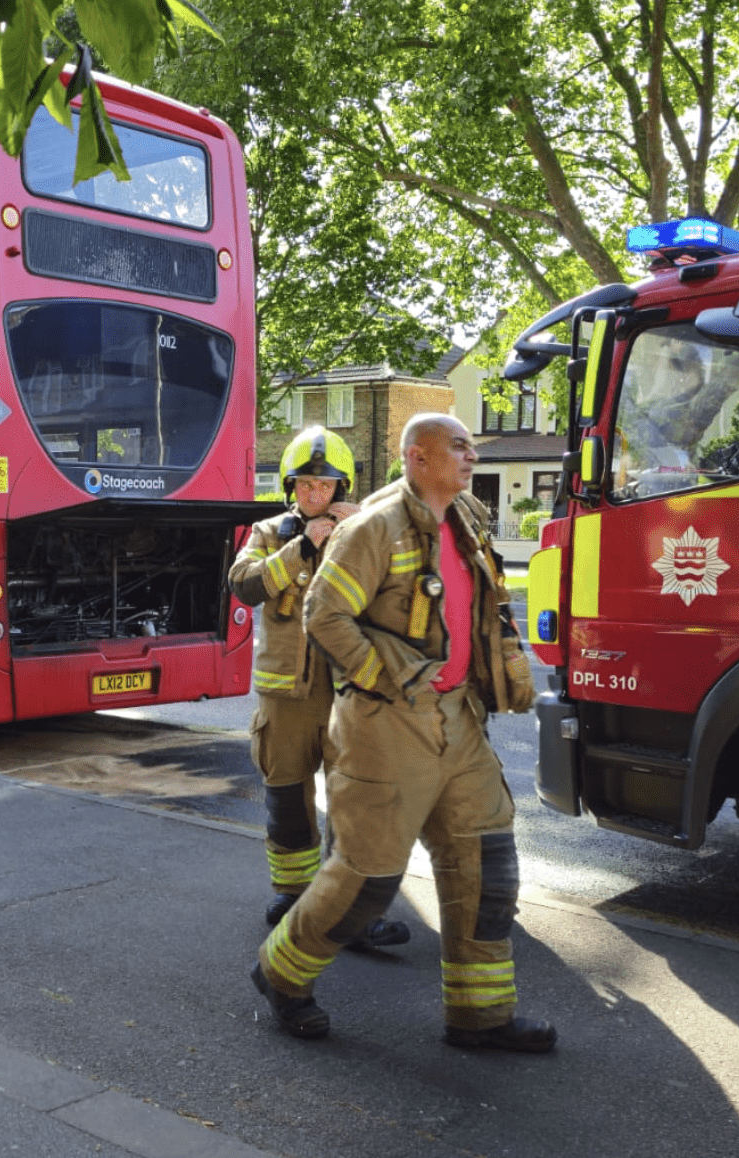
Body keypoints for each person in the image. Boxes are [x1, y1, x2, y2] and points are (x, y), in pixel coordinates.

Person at [249, 412, 553, 1053]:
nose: (473, 455)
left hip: (459, 723)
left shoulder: (465, 520)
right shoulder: (373, 527)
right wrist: (383, 678)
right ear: (418, 456)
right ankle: (280, 974)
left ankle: (480, 1015)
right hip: (388, 725)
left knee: (487, 865)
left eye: (471, 446)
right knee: (367, 882)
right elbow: (322, 614)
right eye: (458, 446)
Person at [229, 427, 409, 947]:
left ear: (341, 487)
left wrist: (364, 529)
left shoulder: (363, 530)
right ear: (291, 486)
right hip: (285, 696)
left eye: (325, 485)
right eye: (305, 485)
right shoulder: (268, 531)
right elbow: (244, 586)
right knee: (287, 797)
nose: (314, 494)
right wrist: (302, 547)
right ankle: (294, 896)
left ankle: (354, 912)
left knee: (356, 802)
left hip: (349, 692)